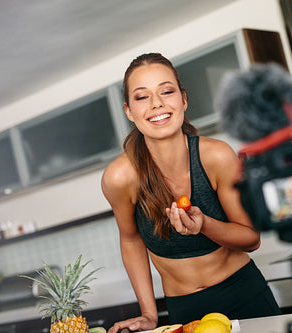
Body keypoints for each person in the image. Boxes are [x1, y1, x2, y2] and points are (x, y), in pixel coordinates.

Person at [101, 53, 281, 333]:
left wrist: (204, 225)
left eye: (166, 91)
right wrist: (149, 313)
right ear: (129, 111)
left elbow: (251, 238)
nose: (157, 103)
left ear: (183, 99)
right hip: (184, 310)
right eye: (142, 97)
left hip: (246, 294)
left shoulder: (217, 156)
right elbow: (131, 239)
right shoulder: (120, 177)